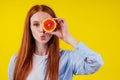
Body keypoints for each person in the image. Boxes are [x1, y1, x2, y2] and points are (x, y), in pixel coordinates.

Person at [8, 4, 103, 80]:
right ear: (29, 28)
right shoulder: (16, 60)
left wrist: (67, 37)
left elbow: (96, 62)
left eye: (46, 24)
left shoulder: (67, 59)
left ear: (54, 26)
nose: (42, 30)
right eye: (36, 24)